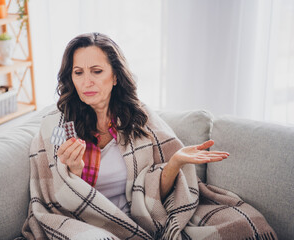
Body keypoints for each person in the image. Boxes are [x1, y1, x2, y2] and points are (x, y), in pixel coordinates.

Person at [21, 33, 277, 240]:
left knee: (239, 225)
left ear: (115, 77)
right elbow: (57, 198)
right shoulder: (56, 125)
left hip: (140, 220)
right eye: (78, 73)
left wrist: (175, 162)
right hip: (87, 225)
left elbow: (154, 192)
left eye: (96, 71)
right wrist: (73, 171)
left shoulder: (139, 118)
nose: (87, 81)